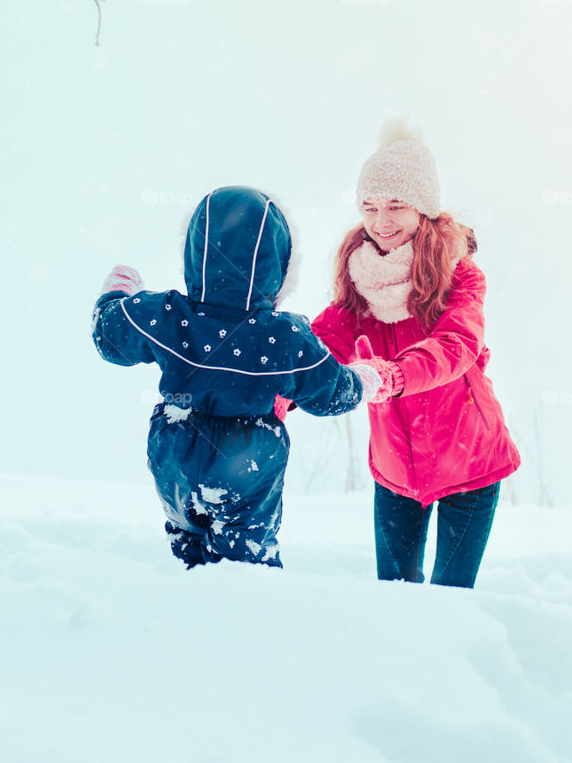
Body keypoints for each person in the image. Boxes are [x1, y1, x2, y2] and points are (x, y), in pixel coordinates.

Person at [92, 185, 382, 569]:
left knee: (187, 536)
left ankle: (190, 577)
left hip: (173, 447)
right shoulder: (281, 336)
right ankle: (242, 604)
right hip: (246, 456)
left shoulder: (168, 315)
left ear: (195, 255)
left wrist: (117, 293)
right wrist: (365, 378)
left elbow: (109, 334)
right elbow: (331, 394)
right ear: (278, 268)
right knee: (244, 556)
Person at [311, 122, 521, 587]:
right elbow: (320, 348)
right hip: (395, 470)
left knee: (450, 598)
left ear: (423, 209)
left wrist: (390, 377)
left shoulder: (460, 276)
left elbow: (456, 346)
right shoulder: (359, 280)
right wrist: (277, 395)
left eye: (395, 206)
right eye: (369, 207)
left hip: (469, 464)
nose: (380, 221)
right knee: (395, 597)